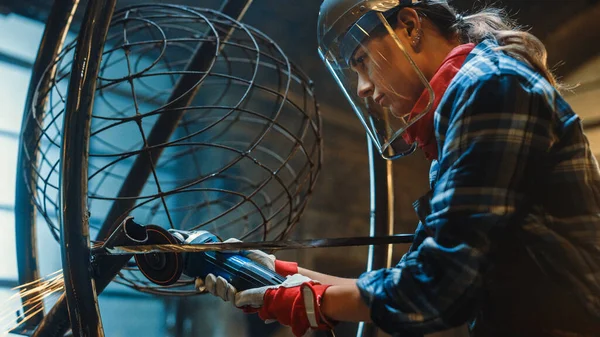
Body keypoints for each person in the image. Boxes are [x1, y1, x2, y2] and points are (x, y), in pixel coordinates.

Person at [197, 0, 600, 336]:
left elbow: (440, 288)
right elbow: (417, 273)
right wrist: (285, 275)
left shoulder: (490, 87)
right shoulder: (462, 106)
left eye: (361, 61)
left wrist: (313, 303)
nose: (363, 89)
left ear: (409, 26)